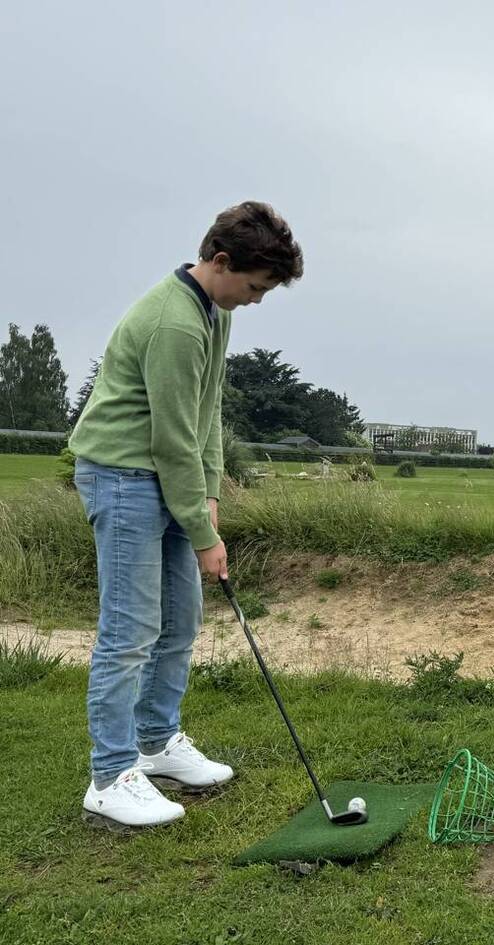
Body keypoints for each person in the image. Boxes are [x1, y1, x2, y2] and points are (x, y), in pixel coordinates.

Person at [69, 201, 303, 829]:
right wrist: (201, 532)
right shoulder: (175, 322)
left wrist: (211, 499)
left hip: (163, 478)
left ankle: (155, 744)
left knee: (181, 620)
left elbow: (206, 417)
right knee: (130, 631)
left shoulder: (214, 311)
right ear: (221, 262)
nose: (256, 300)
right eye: (254, 286)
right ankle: (111, 774)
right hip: (123, 476)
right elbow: (172, 438)